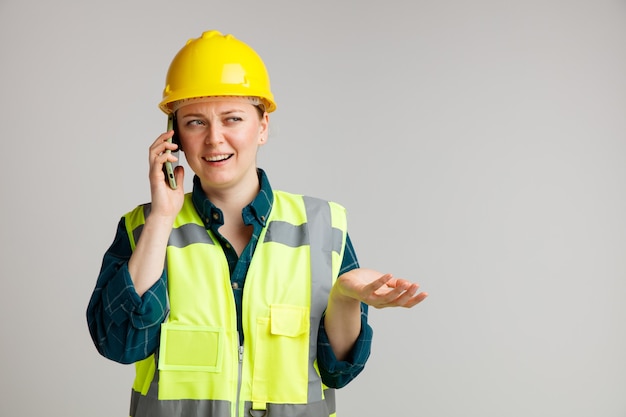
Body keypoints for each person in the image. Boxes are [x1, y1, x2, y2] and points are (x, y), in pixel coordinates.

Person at [86, 30, 428, 417]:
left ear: (262, 126)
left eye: (233, 118)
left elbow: (338, 371)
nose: (215, 139)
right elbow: (120, 343)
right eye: (196, 122)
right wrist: (164, 216)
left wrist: (344, 298)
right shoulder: (143, 227)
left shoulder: (321, 225)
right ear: (175, 137)